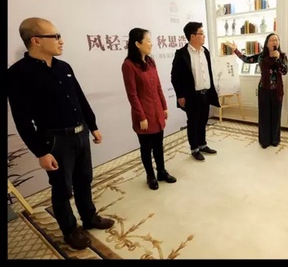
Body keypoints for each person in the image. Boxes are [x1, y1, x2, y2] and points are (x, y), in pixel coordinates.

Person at [7, 18, 114, 250]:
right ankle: (69, 230)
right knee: (62, 188)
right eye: (55, 36)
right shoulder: (17, 74)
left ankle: (89, 217)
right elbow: (21, 119)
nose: (61, 41)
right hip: (55, 140)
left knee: (84, 179)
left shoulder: (64, 67)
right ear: (36, 41)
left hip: (80, 133)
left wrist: (93, 126)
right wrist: (41, 152)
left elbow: (80, 99)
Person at [122, 28, 177, 190]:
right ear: (138, 44)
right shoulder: (128, 65)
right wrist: (141, 117)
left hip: (156, 111)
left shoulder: (151, 62)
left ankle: (161, 171)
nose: (151, 44)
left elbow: (158, 86)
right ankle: (150, 175)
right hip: (144, 114)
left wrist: (164, 106)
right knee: (146, 148)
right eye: (148, 41)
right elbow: (132, 94)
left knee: (159, 144)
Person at [225, 33, 288, 148]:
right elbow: (246, 59)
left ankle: (275, 140)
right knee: (264, 115)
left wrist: (278, 59)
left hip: (277, 90)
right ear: (267, 43)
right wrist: (236, 50)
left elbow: (284, 71)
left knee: (275, 115)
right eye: (272, 40)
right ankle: (264, 140)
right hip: (264, 89)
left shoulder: (282, 56)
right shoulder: (261, 56)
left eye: (276, 40)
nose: (275, 42)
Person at [171, 22, 220, 161]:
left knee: (203, 120)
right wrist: (180, 95)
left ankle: (202, 144)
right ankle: (194, 149)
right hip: (192, 95)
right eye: (201, 33)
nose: (204, 36)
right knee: (193, 122)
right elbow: (175, 77)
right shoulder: (182, 54)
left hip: (206, 93)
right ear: (192, 36)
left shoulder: (205, 52)